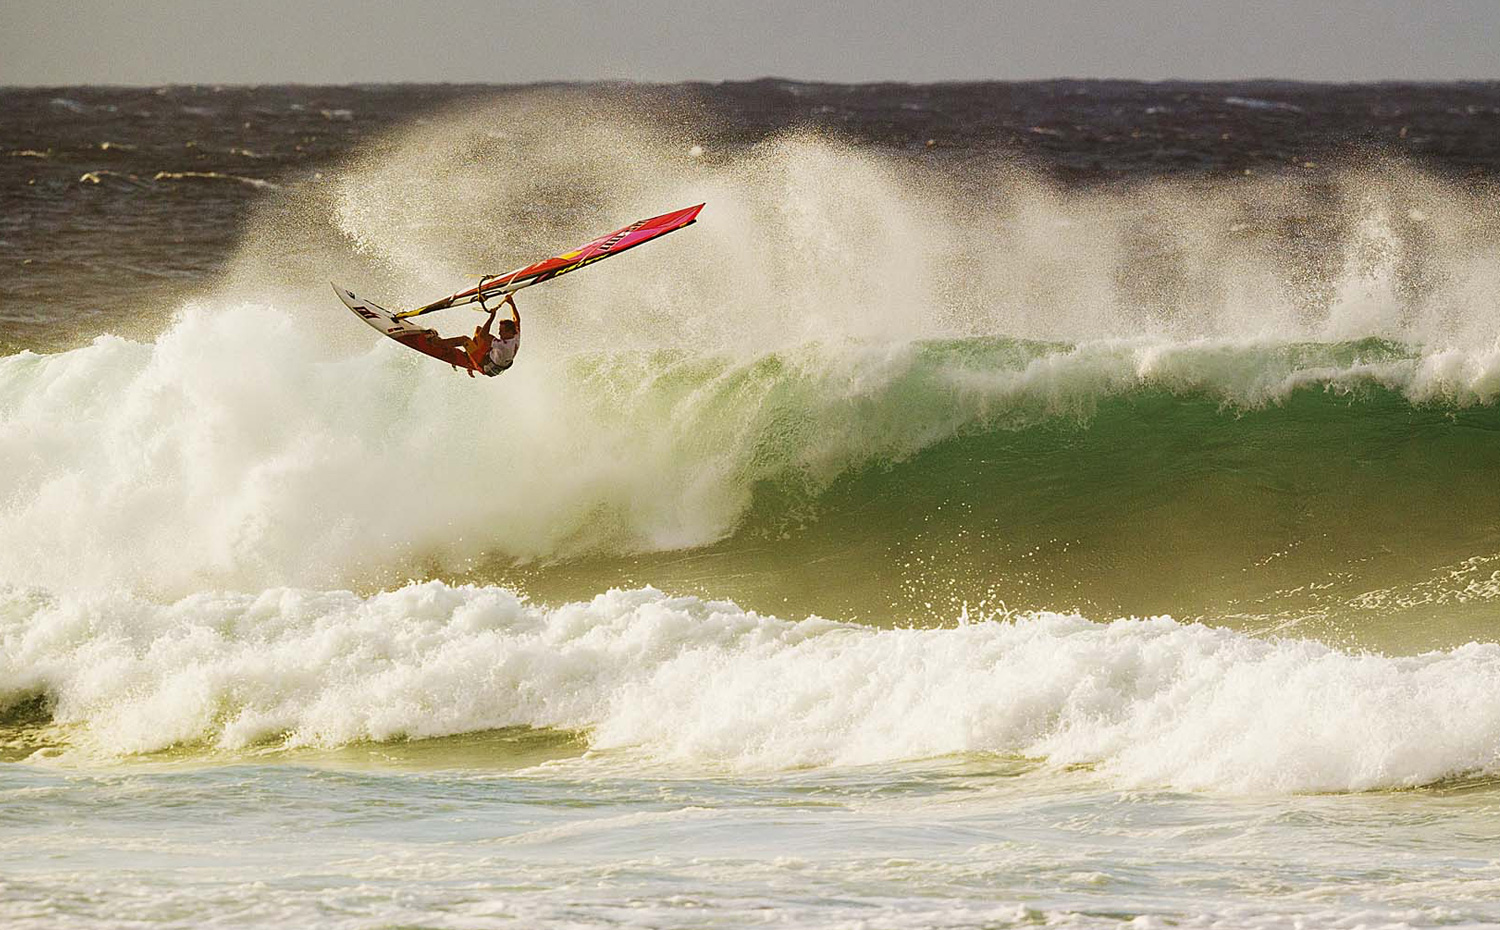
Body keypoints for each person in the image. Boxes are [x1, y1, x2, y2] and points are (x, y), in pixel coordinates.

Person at [431, 293, 521, 377]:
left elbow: (483, 336)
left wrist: (491, 318)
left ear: (509, 332)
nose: (499, 333)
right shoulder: (516, 336)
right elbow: (516, 319)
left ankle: (436, 342)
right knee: (479, 330)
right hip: (493, 358)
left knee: (464, 340)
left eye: (502, 331)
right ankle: (470, 355)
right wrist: (511, 304)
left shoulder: (503, 346)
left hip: (486, 367)